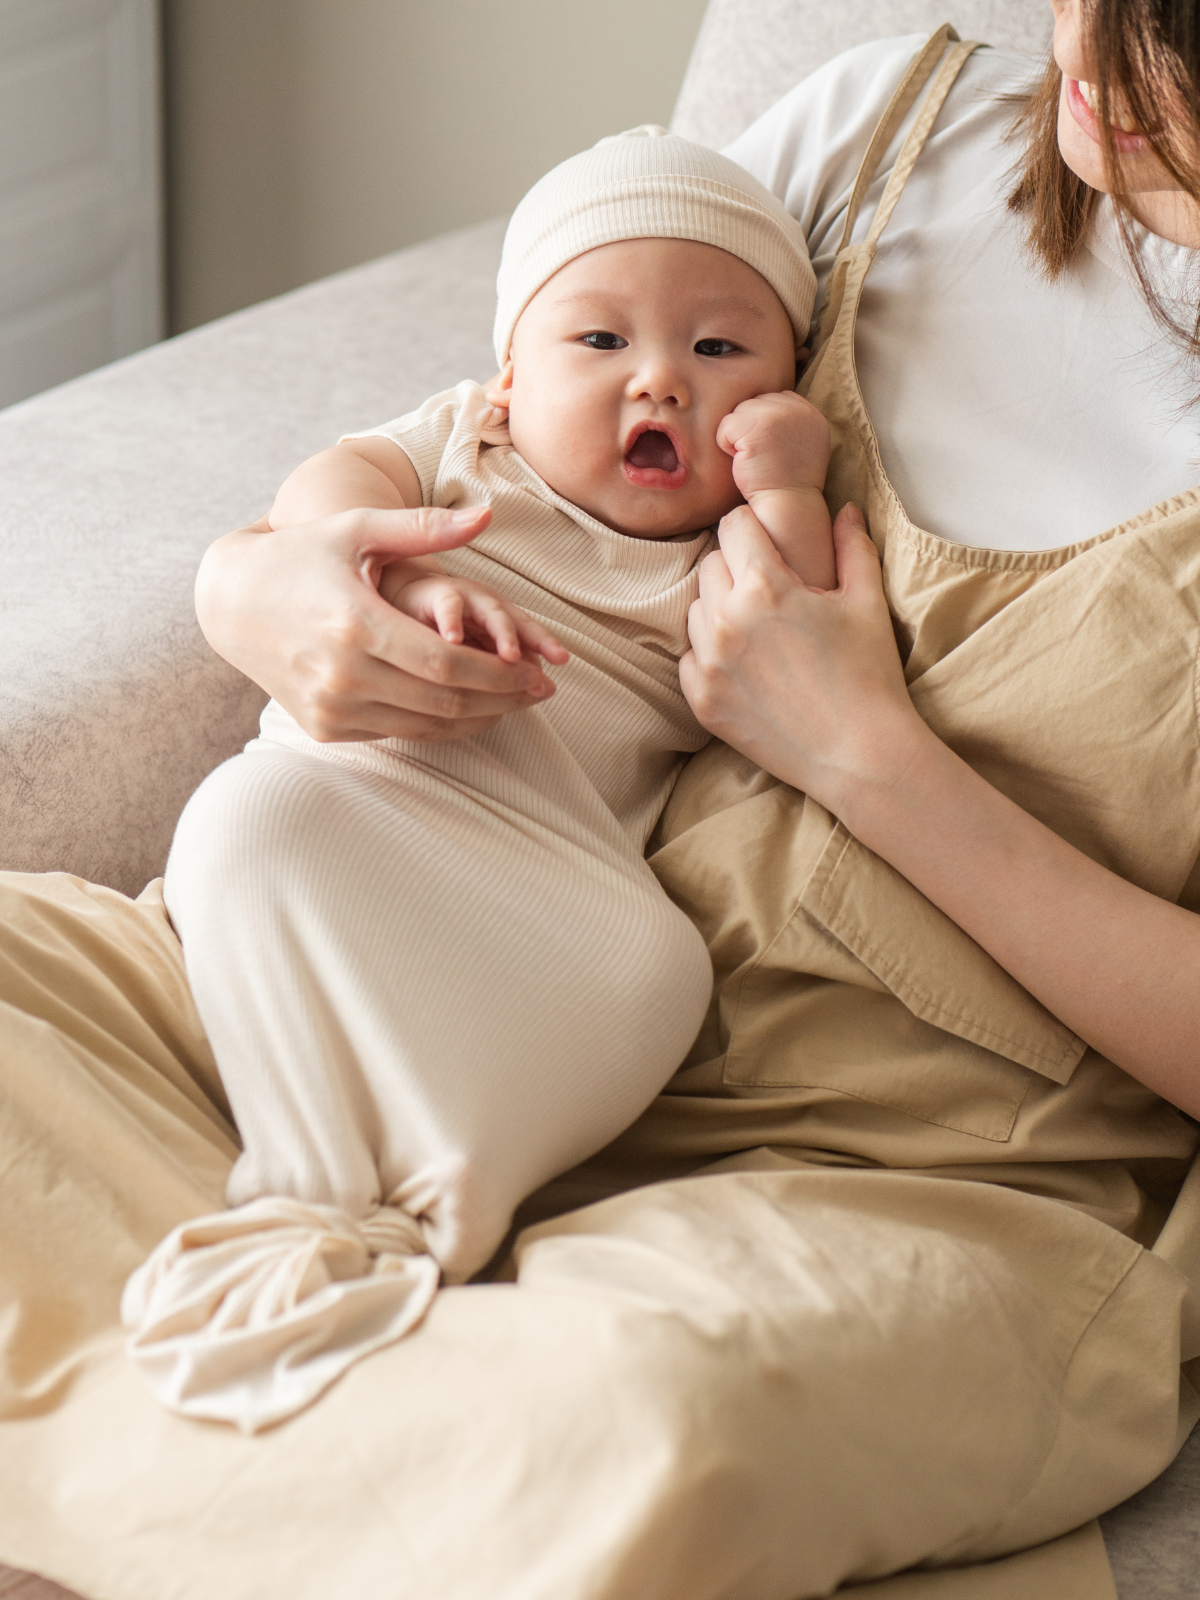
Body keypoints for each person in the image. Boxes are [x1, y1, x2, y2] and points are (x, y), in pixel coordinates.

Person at [1, 4, 1198, 1598]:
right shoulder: (891, 131)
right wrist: (266, 592)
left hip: (902, 1172)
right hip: (409, 972)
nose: (1095, 61)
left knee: (634, 1430)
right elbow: (490, 425)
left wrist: (867, 760)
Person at [121, 128, 833, 1432]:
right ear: (508, 373)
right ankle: (317, 1177)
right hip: (353, 807)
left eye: (721, 350)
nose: (661, 383)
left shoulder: (722, 549)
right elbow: (320, 492)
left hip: (543, 871)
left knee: (656, 980)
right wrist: (389, 560)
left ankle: (437, 1185)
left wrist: (787, 478)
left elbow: (807, 615)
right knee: (244, 818)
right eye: (601, 342)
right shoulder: (462, 446)